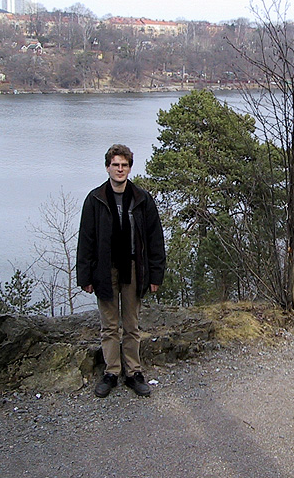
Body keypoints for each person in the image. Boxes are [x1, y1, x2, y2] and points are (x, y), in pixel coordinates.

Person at [77, 144, 166, 398]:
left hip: (133, 268)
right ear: (108, 167)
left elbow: (154, 239)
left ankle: (133, 372)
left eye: (124, 165)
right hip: (104, 270)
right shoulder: (95, 199)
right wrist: (85, 276)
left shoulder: (141, 199)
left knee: (132, 324)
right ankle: (111, 372)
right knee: (109, 325)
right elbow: (86, 239)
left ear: (129, 168)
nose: (119, 169)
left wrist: (155, 275)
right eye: (115, 165)